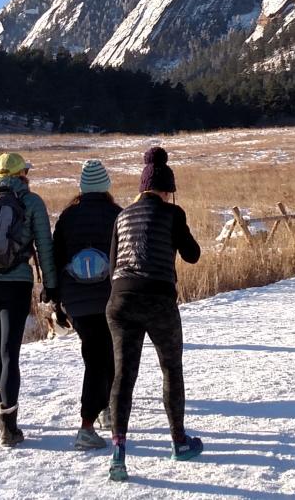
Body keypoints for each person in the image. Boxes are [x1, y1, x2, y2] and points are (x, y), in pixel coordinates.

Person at [105, 147, 202, 482]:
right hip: (159, 299)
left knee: (123, 375)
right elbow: (193, 255)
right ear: (167, 190)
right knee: (171, 369)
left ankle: (118, 453)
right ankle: (178, 442)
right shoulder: (173, 214)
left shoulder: (122, 215)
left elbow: (112, 263)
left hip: (120, 300)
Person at [0, 152, 58, 446]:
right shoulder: (32, 202)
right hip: (16, 282)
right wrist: (51, 284)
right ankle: (9, 425)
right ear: (22, 174)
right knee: (10, 351)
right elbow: (44, 246)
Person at [51, 159, 121, 451]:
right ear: (106, 186)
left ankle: (103, 409)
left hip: (76, 300)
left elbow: (55, 259)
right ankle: (88, 424)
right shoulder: (117, 214)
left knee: (95, 353)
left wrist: (56, 302)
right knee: (106, 355)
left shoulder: (68, 217)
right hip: (110, 295)